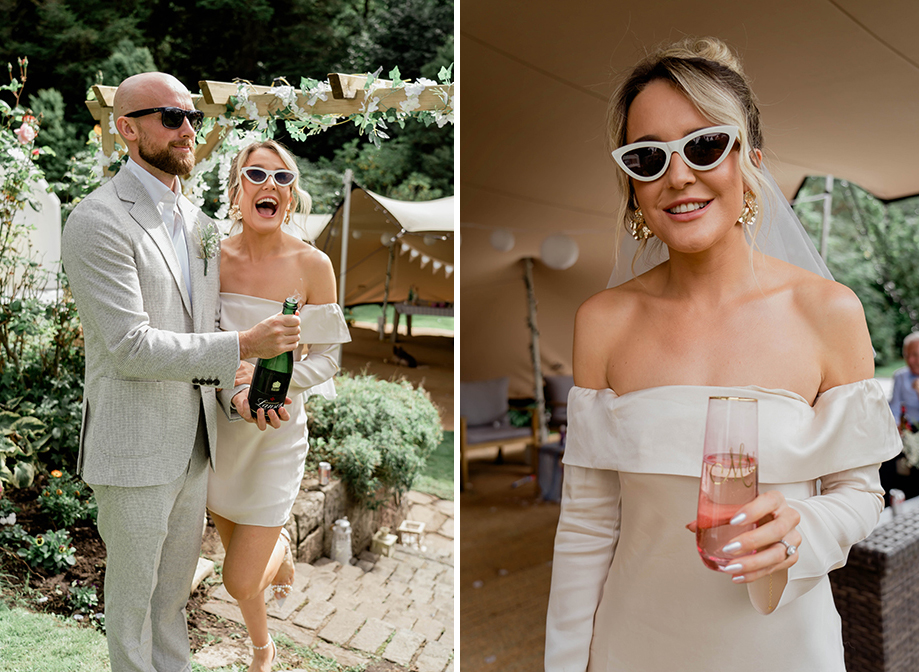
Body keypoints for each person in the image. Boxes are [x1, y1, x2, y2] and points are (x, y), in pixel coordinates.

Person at [544, 37, 901, 671]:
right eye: (649, 157)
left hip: (785, 647)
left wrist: (801, 526)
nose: (678, 174)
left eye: (705, 145)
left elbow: (859, 492)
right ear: (631, 182)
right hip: (634, 648)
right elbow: (588, 527)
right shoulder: (602, 323)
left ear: (752, 161)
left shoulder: (830, 312)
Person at [61, 73, 301, 672]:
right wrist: (243, 343)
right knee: (133, 605)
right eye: (170, 117)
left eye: (190, 115)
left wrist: (240, 392)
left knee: (172, 603)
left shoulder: (197, 224)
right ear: (127, 128)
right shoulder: (97, 220)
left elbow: (200, 324)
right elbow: (129, 346)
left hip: (197, 446)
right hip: (135, 448)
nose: (189, 128)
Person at [205, 139, 351, 671]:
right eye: (257, 175)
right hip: (220, 430)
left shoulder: (312, 265)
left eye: (282, 179)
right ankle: (263, 650)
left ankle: (281, 553)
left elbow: (329, 357)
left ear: (291, 197)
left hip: (276, 433)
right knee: (235, 563)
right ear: (237, 189)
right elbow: (202, 341)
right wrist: (233, 385)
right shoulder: (210, 260)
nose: (270, 185)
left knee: (239, 577)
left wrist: (277, 386)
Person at [881, 332, 919, 500]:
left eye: (916, 355)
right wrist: (896, 427)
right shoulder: (900, 376)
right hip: (907, 429)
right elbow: (895, 408)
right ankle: (885, 499)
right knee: (885, 455)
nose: (910, 360)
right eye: (907, 355)